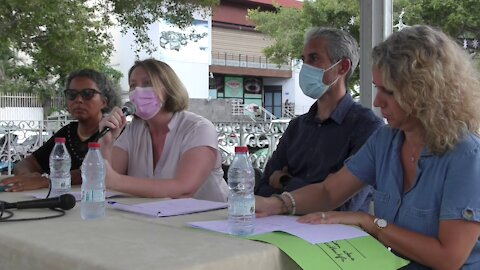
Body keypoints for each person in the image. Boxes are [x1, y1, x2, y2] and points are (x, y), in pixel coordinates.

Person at [256, 25, 480, 269]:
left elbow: (448, 258)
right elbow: (329, 192)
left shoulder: (467, 156)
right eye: (377, 87)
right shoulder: (386, 139)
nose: (377, 101)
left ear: (427, 93)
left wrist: (370, 223)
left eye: (389, 92)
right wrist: (277, 204)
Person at [256, 27, 384, 213]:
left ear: (342, 67)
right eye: (303, 59)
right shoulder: (297, 127)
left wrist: (285, 182)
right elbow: (262, 188)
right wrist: (317, 189)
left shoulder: (368, 127)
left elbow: (342, 204)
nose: (305, 67)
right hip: (282, 229)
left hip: (337, 236)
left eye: (314, 58)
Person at [99, 59, 228, 202]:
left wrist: (117, 181)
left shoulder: (198, 128)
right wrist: (107, 142)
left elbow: (184, 189)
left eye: (147, 83)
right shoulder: (133, 130)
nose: (137, 91)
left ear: (168, 89)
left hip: (211, 219)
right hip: (153, 219)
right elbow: (106, 179)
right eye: (133, 86)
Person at [1, 69, 120, 192]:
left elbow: (98, 171)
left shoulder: (114, 132)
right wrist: (27, 176)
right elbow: (28, 163)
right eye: (72, 94)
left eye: (87, 94)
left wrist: (46, 181)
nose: (78, 100)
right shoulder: (67, 132)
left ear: (104, 102)